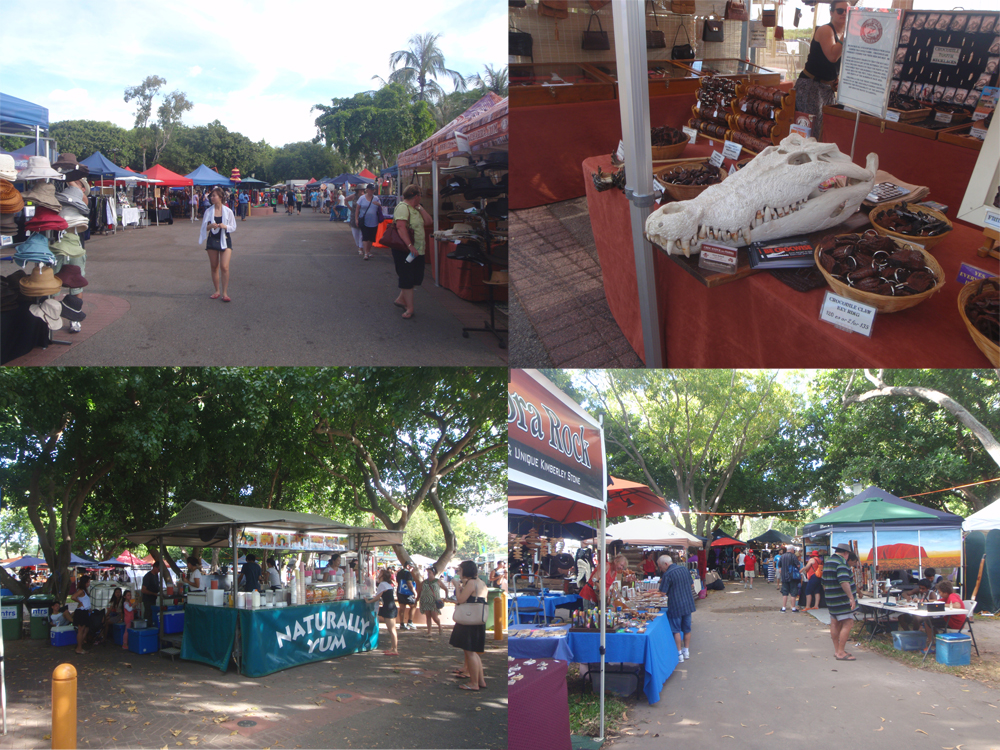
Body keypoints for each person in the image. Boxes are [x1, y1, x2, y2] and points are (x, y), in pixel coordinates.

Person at [793, 0, 849, 139]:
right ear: (831, 12)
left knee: (826, 129)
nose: (844, 14)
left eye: (847, 11)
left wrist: (836, 79)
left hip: (826, 88)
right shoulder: (826, 30)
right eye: (840, 11)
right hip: (811, 87)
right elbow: (832, 56)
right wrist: (846, 35)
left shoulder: (843, 33)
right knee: (810, 132)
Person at [391, 184, 432, 318]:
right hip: (405, 250)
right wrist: (410, 246)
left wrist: (420, 208)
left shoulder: (416, 208)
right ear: (416, 195)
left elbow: (429, 221)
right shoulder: (403, 208)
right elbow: (401, 227)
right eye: (420, 195)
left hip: (418, 249)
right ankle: (410, 308)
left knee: (416, 277)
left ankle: (401, 299)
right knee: (407, 277)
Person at [450, 560, 488, 691]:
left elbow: (461, 600)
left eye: (460, 570)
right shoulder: (481, 583)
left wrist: (456, 586)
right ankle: (480, 680)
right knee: (474, 653)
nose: (458, 573)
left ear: (465, 571)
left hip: (469, 621)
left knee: (470, 652)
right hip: (478, 620)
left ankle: (474, 683)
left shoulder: (472, 583)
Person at [199, 186, 237, 303]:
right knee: (214, 266)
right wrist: (211, 226)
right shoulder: (208, 211)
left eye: (214, 195)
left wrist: (225, 226)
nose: (211, 197)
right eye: (211, 196)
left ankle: (225, 293)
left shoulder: (228, 211)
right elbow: (204, 228)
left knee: (224, 266)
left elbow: (233, 226)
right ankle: (217, 291)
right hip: (212, 239)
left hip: (225, 238)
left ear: (220, 197)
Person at [657, 554, 697, 663]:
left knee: (676, 630)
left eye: (660, 567)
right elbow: (692, 585)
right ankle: (686, 651)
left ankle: (679, 654)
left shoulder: (668, 574)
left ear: (666, 564)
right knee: (687, 629)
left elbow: (663, 592)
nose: (660, 569)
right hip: (688, 604)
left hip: (675, 605)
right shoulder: (684, 569)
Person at [822, 543, 858, 661]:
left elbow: (823, 583)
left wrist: (829, 594)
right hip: (841, 599)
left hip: (831, 598)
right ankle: (841, 652)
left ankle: (837, 650)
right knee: (848, 623)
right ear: (846, 553)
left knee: (835, 623)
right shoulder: (841, 563)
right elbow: (844, 581)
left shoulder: (828, 562)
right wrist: (851, 597)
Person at [366, 568, 399, 655]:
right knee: (392, 629)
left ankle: (395, 649)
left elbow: (377, 597)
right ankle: (393, 648)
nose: (378, 574)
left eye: (380, 573)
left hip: (388, 608)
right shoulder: (387, 584)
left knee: (392, 630)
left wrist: (369, 601)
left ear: (383, 576)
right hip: (391, 607)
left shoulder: (382, 584)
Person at [356, 184, 383, 261]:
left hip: (374, 221)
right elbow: (357, 209)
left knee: (371, 238)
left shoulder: (376, 198)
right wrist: (356, 219)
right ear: (367, 190)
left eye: (373, 190)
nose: (371, 191)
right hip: (364, 220)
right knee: (365, 237)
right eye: (370, 189)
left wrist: (378, 205)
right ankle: (366, 253)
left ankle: (368, 251)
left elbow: (381, 208)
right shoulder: (362, 198)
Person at [417, 566, 445, 638]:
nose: (428, 574)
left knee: (434, 617)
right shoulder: (424, 582)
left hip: (434, 601)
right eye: (427, 572)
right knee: (428, 616)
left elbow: (445, 589)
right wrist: (417, 598)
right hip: (426, 601)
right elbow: (420, 590)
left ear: (433, 573)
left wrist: (446, 597)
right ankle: (429, 632)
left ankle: (440, 626)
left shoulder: (437, 581)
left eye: (430, 572)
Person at [71, 575, 95, 654]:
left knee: (85, 629)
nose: (89, 583)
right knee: (81, 630)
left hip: (85, 611)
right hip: (81, 611)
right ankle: (79, 648)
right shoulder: (81, 590)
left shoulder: (84, 590)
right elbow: (73, 597)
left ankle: (80, 645)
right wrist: (79, 602)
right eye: (88, 582)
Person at [396, 562, 418, 630]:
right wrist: (415, 592)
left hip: (400, 591)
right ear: (408, 566)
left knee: (402, 607)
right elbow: (409, 583)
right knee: (413, 605)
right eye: (412, 567)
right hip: (407, 592)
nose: (413, 568)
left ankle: (402, 623)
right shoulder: (408, 573)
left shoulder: (399, 572)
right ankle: (410, 622)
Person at [779, 546, 801, 612]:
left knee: (785, 593)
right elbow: (798, 565)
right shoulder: (793, 556)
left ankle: (783, 608)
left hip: (784, 577)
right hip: (792, 577)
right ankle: (793, 608)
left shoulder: (782, 556)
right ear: (791, 550)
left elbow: (779, 565)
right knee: (793, 593)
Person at [140, 561, 161, 629]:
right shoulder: (148, 576)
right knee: (148, 614)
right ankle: (147, 628)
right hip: (148, 599)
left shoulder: (156, 575)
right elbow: (143, 590)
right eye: (158, 569)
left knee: (153, 615)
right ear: (155, 567)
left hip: (154, 599)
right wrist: (153, 593)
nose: (159, 571)